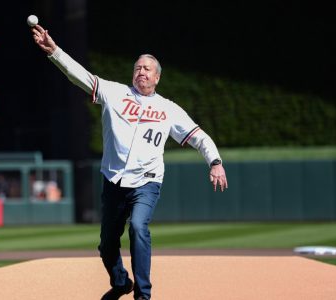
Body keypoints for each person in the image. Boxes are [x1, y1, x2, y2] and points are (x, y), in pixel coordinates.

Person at [31, 24, 228, 300]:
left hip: (146, 182)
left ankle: (143, 295)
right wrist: (55, 52)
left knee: (138, 226)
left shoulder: (168, 109)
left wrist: (215, 162)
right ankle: (121, 282)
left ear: (157, 78)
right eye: (137, 67)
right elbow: (81, 77)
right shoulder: (114, 93)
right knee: (107, 245)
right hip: (113, 181)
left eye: (147, 68)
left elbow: (199, 137)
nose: (141, 71)